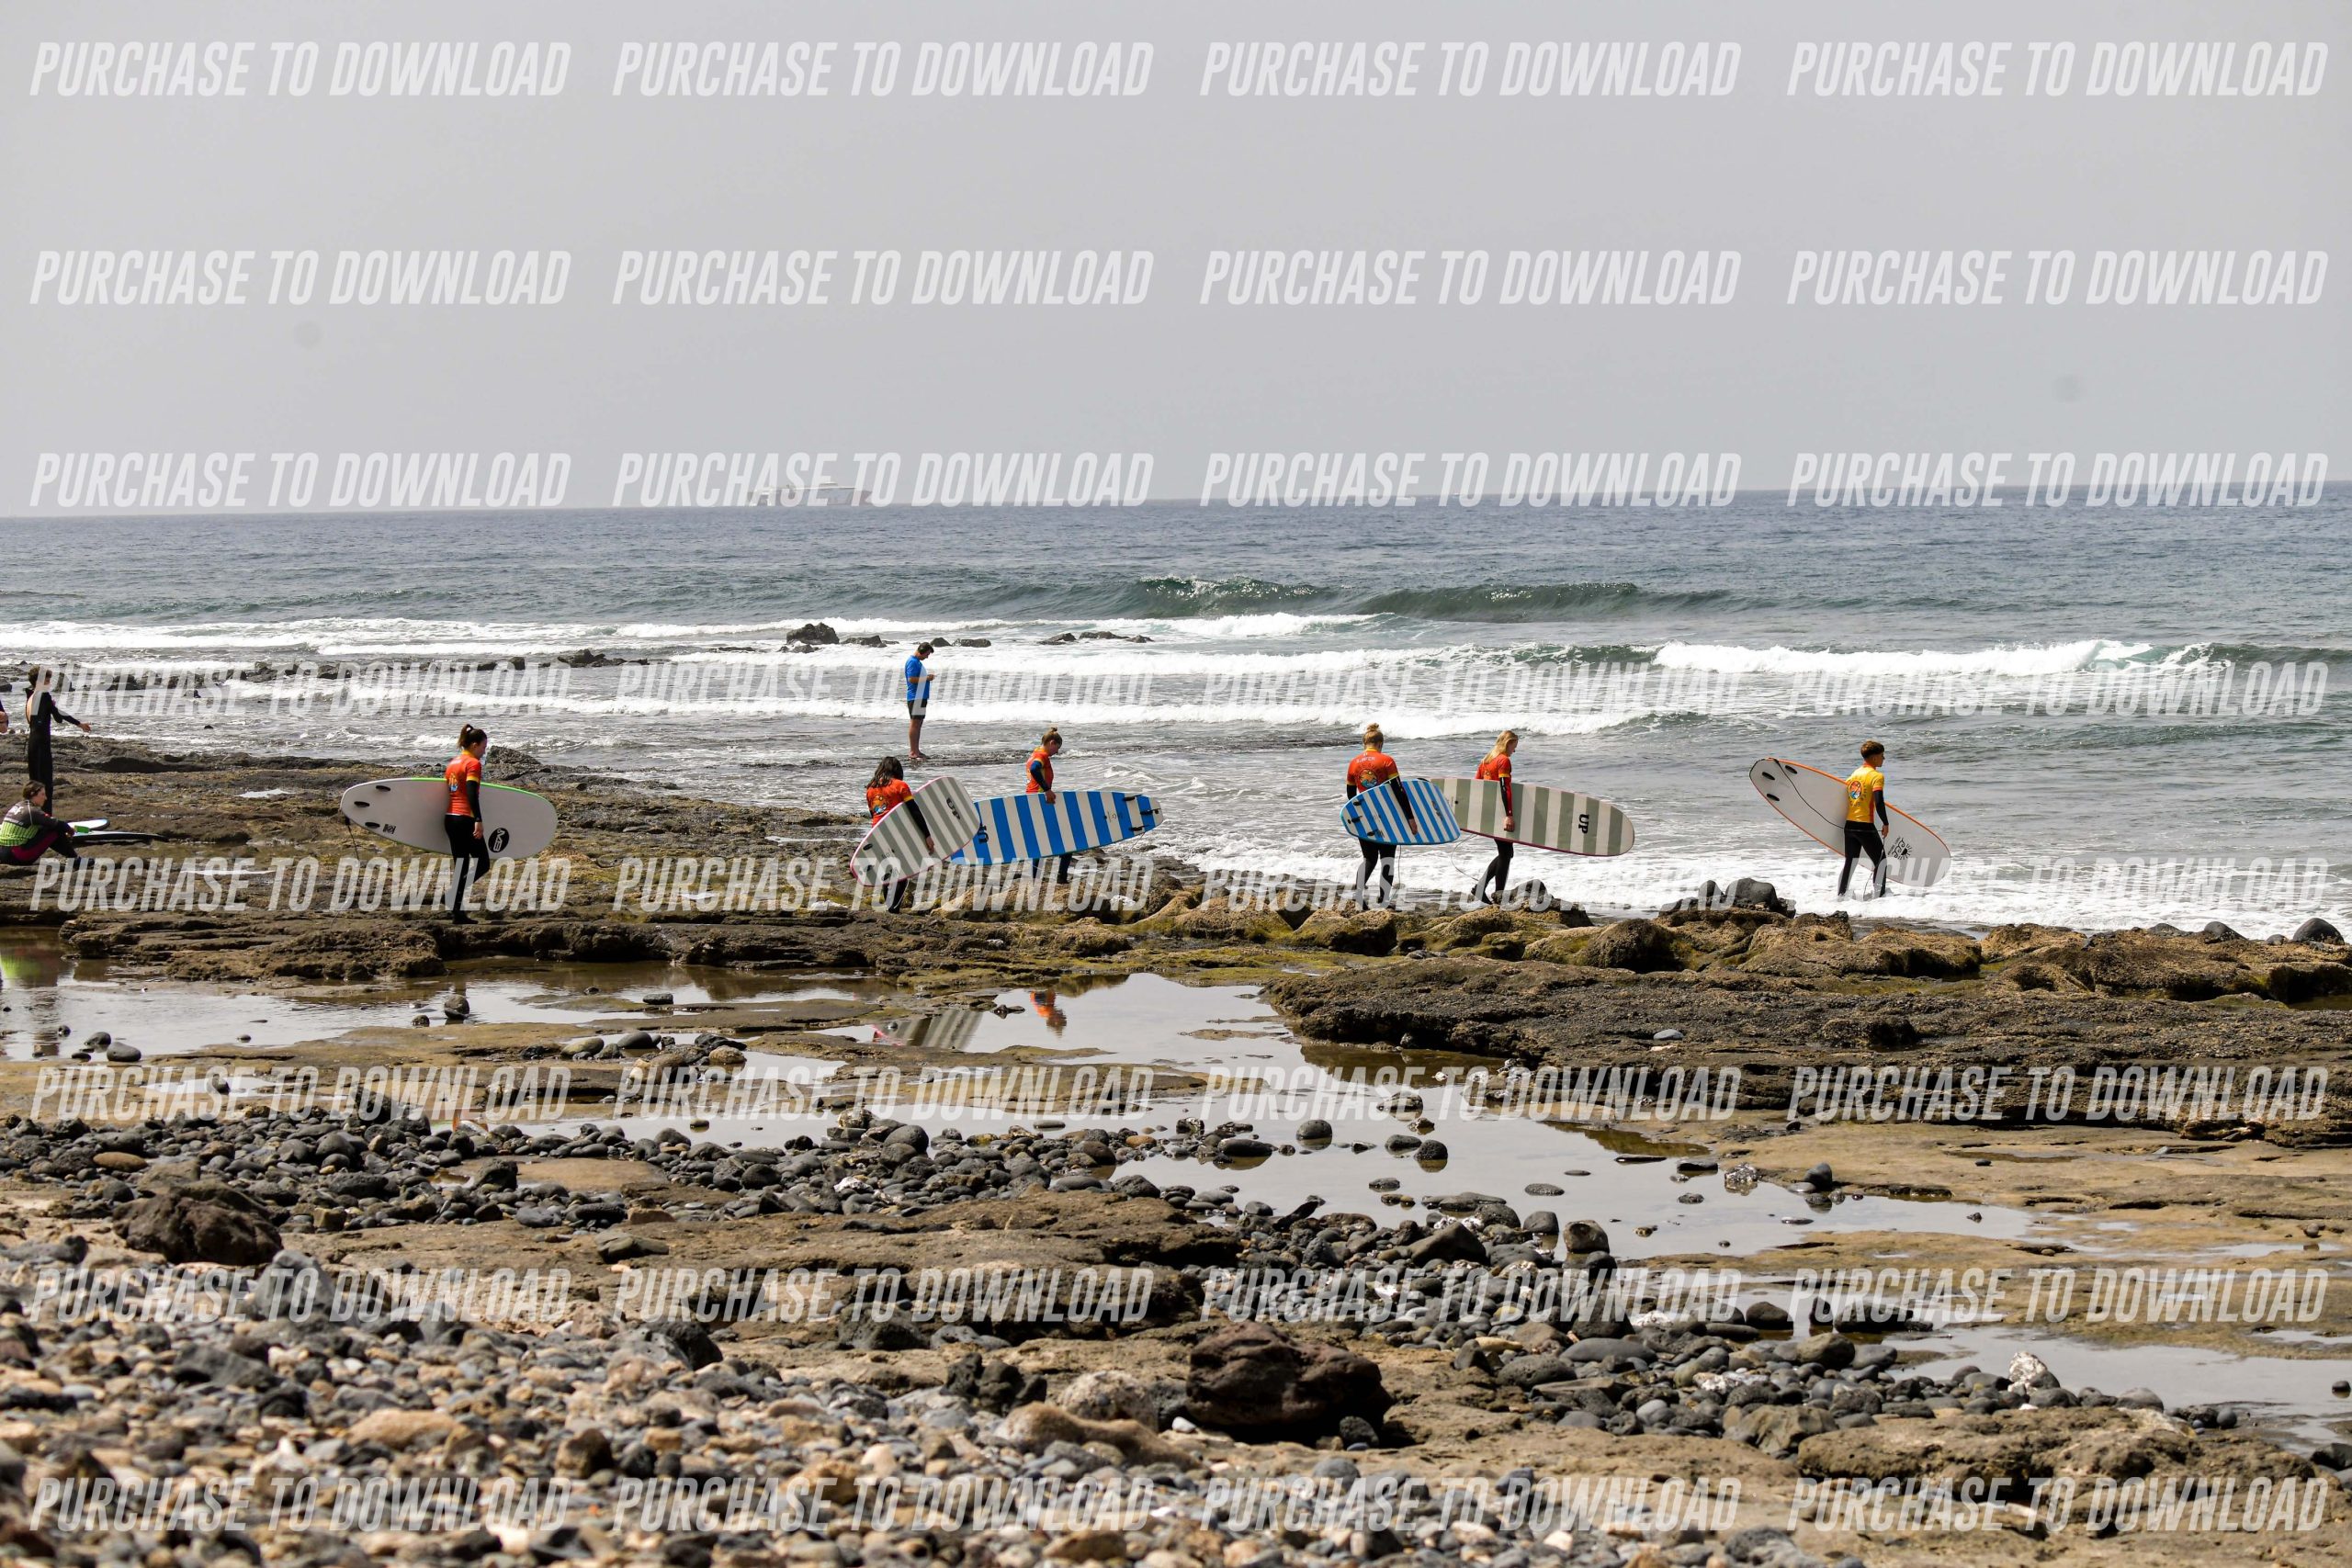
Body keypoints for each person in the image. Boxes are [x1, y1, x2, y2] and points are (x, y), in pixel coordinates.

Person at [1345, 723, 1419, 909]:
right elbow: (1399, 791)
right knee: (1387, 858)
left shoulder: (1353, 763)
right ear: (1380, 743)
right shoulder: (1386, 760)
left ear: (1365, 743)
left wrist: (1357, 817)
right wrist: (1410, 818)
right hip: (1387, 816)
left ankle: (1358, 895)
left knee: (1369, 859)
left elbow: (1351, 795)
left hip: (1364, 816)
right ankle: (1384, 900)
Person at [864, 757, 935, 913]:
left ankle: (890, 906)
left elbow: (873, 814)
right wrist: (927, 835)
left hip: (877, 833)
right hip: (897, 832)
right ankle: (894, 909)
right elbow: (914, 811)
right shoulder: (900, 785)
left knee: (888, 870)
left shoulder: (870, 788)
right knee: (903, 871)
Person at [443, 725, 492, 924]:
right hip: (465, 819)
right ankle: (452, 895)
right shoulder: (473, 764)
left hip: (450, 818)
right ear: (474, 745)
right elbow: (471, 792)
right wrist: (478, 820)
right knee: (483, 863)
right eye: (483, 747)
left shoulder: (453, 763)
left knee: (461, 866)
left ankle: (458, 913)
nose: (484, 752)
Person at [22, 668, 93, 805]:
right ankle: (46, 815)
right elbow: (60, 716)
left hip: (32, 743)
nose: (49, 684)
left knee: (34, 783)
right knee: (46, 784)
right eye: (46, 681)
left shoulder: (30, 696)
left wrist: (51, 707)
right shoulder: (44, 696)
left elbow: (56, 718)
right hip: (42, 743)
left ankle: (32, 812)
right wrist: (79, 724)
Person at [1469, 729, 1521, 906]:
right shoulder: (1503, 760)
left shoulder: (1486, 761)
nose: (1515, 750)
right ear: (1508, 743)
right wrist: (1509, 815)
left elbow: (1476, 786)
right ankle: (1498, 896)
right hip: (1501, 813)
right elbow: (1505, 788)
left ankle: (1484, 889)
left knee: (1505, 853)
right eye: (1514, 746)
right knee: (1506, 854)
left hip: (1489, 813)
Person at [1838, 739, 1890, 898]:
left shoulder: (1855, 774)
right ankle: (1879, 897)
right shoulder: (1876, 776)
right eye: (1882, 755)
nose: (1883, 758)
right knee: (1881, 862)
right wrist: (1885, 823)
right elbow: (1879, 801)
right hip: (1865, 826)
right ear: (1874, 758)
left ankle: (1840, 895)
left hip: (1849, 825)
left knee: (1850, 862)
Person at [1026, 727, 1073, 883]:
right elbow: (1034, 769)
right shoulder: (1042, 755)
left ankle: (1035, 878)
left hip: (1032, 800)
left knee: (1041, 841)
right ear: (1052, 742)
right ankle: (1061, 878)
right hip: (1041, 802)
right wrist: (1047, 790)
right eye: (1057, 748)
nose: (1057, 752)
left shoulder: (1035, 752)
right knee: (1068, 840)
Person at [0, 783, 79, 865]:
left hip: (3, 854)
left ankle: (72, 858)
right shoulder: (32, 811)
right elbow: (59, 824)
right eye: (42, 794)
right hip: (18, 856)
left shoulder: (18, 805)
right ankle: (75, 859)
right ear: (32, 794)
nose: (45, 798)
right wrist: (70, 831)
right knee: (54, 829)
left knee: (44, 828)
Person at [904, 643, 936, 761]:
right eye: (927, 654)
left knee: (919, 724)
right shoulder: (912, 662)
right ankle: (913, 752)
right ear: (922, 651)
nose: (927, 657)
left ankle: (916, 750)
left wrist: (926, 677)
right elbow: (911, 679)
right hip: (915, 697)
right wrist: (927, 678)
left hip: (921, 696)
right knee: (915, 724)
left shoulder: (917, 662)